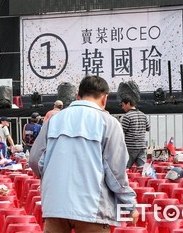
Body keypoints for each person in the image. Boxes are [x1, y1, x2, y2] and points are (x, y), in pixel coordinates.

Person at [29, 76, 138, 231]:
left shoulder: (54, 120)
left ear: (78, 96)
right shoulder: (109, 123)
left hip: (55, 206)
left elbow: (35, 160)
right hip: (92, 210)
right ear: (105, 98)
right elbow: (115, 172)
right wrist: (129, 204)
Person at [118, 81, 150, 169]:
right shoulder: (143, 115)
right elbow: (148, 128)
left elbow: (120, 132)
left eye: (123, 105)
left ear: (128, 103)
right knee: (142, 169)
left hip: (129, 148)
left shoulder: (126, 117)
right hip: (142, 147)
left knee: (125, 170)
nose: (122, 107)